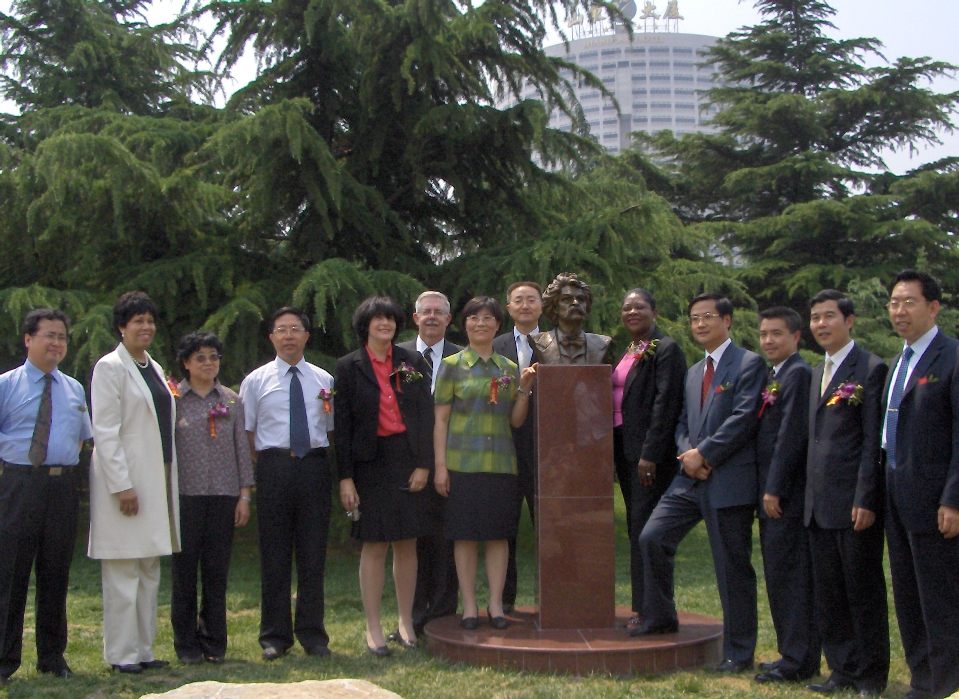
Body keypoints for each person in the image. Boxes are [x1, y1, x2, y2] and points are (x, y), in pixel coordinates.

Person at [635, 293, 764, 676]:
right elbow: (680, 422)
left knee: (730, 567)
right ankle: (660, 617)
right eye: (694, 319)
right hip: (688, 479)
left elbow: (743, 418)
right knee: (652, 537)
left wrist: (705, 454)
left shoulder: (749, 364)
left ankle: (739, 653)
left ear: (727, 321)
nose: (700, 325)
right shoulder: (693, 372)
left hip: (728, 478)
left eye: (708, 317)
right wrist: (687, 453)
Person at [335, 297, 434, 656]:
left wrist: (424, 464)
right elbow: (342, 427)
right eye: (377, 319)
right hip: (369, 465)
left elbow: (425, 414)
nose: (385, 324)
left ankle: (406, 622)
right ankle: (373, 627)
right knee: (375, 545)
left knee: (407, 543)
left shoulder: (411, 361)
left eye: (390, 319)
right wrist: (345, 478)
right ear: (365, 325)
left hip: (407, 460)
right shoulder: (348, 367)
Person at [88, 291, 180, 674]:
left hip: (156, 478)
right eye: (137, 321)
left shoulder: (153, 367)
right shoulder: (110, 368)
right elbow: (106, 431)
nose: (146, 327)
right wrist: (121, 485)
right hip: (125, 484)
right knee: (123, 570)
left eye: (150, 321)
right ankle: (121, 655)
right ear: (122, 327)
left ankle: (143, 649)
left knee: (148, 567)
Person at [0, 309, 93, 683]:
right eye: (49, 335)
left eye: (62, 337)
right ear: (28, 339)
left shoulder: (74, 388)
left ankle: (52, 657)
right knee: (11, 573)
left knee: (55, 573)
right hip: (19, 485)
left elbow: (84, 439)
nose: (56, 343)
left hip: (62, 487)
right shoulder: (7, 384)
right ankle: (5, 660)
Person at [433, 297, 536, 630]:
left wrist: (524, 391)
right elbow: (441, 421)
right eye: (474, 318)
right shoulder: (451, 365)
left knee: (498, 536)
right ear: (465, 324)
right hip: (462, 463)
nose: (481, 323)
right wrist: (440, 466)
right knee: (464, 537)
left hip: (501, 464)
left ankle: (495, 605)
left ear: (497, 325)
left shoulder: (508, 368)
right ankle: (469, 606)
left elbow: (516, 421)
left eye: (488, 318)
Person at [239, 306, 335, 660]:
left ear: (307, 336)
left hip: (314, 468)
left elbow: (329, 427)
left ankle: (313, 634)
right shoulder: (256, 380)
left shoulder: (324, 380)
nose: (289, 335)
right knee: (274, 553)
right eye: (282, 330)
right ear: (272, 337)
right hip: (274, 468)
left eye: (296, 329)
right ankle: (274, 636)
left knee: (313, 554)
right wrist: (268, 465)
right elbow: (247, 434)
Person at [805, 289, 888, 696]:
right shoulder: (814, 371)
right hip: (817, 505)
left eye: (829, 317)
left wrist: (866, 497)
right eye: (815, 318)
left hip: (853, 504)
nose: (821, 324)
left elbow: (873, 441)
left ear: (849, 320)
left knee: (863, 591)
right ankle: (841, 669)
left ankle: (870, 676)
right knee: (830, 593)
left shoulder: (870, 368)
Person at [881, 270, 959, 699]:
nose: (899, 311)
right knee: (909, 596)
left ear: (933, 307)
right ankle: (923, 679)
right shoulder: (900, 361)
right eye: (894, 302)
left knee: (940, 599)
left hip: (936, 501)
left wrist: (953, 497)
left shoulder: (951, 358)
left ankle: (948, 684)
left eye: (909, 302)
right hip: (897, 496)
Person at [171, 331, 254, 665]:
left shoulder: (231, 400)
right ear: (187, 363)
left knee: (216, 573)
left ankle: (215, 642)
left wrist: (245, 495)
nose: (208, 363)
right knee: (184, 573)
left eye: (214, 357)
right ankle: (186, 644)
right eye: (201, 357)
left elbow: (242, 451)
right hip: (185, 497)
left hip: (224, 495)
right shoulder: (174, 399)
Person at [610, 289, 685, 627]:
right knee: (636, 528)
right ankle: (644, 607)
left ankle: (653, 611)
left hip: (648, 457)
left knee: (647, 532)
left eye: (639, 306)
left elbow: (665, 403)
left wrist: (650, 454)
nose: (632, 312)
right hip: (624, 452)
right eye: (627, 307)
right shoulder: (630, 349)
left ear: (654, 311)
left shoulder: (665, 349)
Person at [753, 307, 819, 684]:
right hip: (769, 491)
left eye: (776, 334)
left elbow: (790, 437)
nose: (768, 341)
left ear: (796, 337)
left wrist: (774, 488)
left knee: (791, 577)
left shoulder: (798, 374)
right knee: (778, 575)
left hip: (786, 496)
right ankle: (789, 653)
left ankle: (798, 659)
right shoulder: (775, 374)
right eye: (764, 334)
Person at [396, 291, 462, 637]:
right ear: (415, 317)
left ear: (449, 320)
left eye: (439, 312)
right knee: (413, 540)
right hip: (408, 462)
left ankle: (443, 611)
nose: (433, 317)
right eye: (427, 312)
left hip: (452, 462)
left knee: (446, 538)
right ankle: (412, 613)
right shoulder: (399, 357)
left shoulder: (462, 359)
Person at [492, 281, 544, 614]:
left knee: (549, 526)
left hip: (545, 451)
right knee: (504, 527)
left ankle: (553, 598)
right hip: (504, 449)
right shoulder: (493, 347)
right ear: (508, 308)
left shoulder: (559, 345)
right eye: (518, 300)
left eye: (531, 300)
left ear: (542, 306)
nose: (525, 305)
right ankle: (504, 600)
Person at [532, 272, 610, 364]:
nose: (576, 303)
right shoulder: (538, 342)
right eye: (567, 299)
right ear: (555, 307)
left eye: (581, 299)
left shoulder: (602, 344)